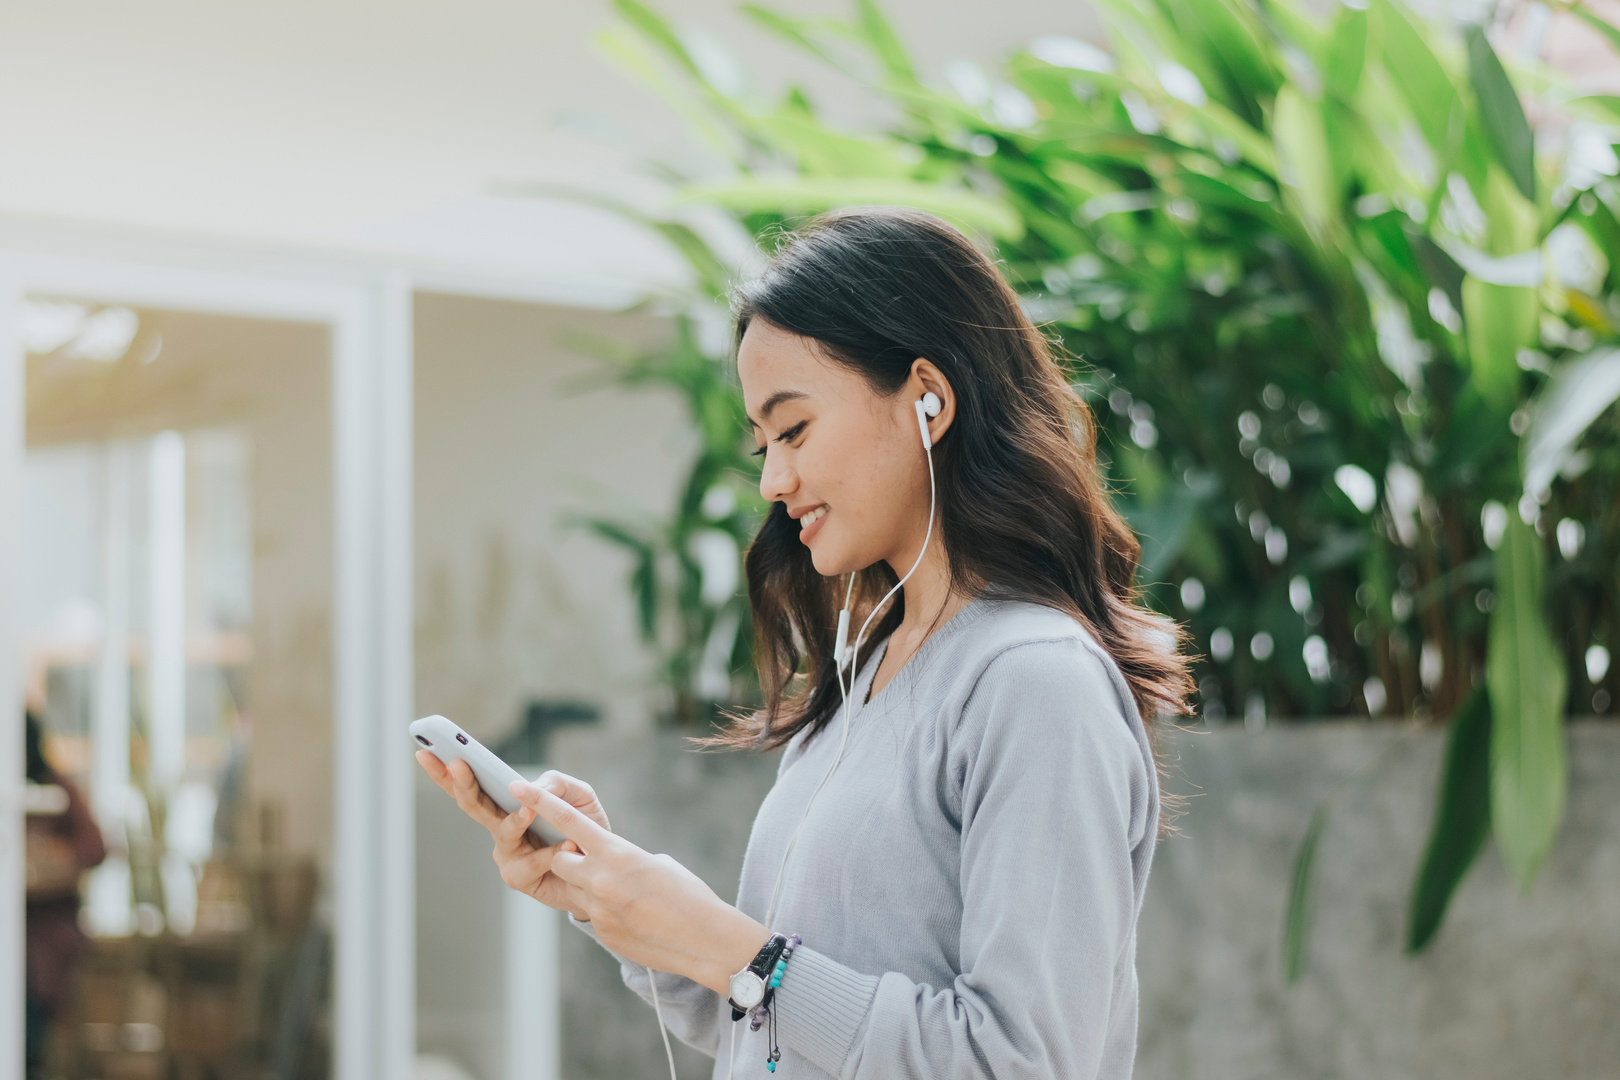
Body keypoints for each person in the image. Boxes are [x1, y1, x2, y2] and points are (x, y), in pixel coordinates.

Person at [419, 206, 1192, 1079]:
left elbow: (1024, 1062)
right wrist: (614, 893)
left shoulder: (1035, 682)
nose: (772, 480)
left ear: (928, 398)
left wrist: (736, 952)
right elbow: (773, 1023)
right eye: (762, 442)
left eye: (793, 429)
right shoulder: (864, 676)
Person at [25, 710, 106, 1079]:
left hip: (49, 921)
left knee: (29, 962)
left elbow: (96, 848)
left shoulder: (56, 790)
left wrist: (54, 860)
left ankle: (30, 1057)